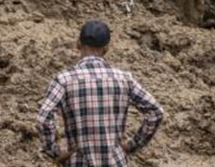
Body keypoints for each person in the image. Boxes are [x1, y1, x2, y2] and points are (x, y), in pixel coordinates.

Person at [35, 20, 164, 166]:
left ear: (78, 44)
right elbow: (156, 112)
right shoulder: (124, 79)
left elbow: (43, 118)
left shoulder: (63, 80)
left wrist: (54, 152)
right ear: (106, 48)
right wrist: (132, 145)